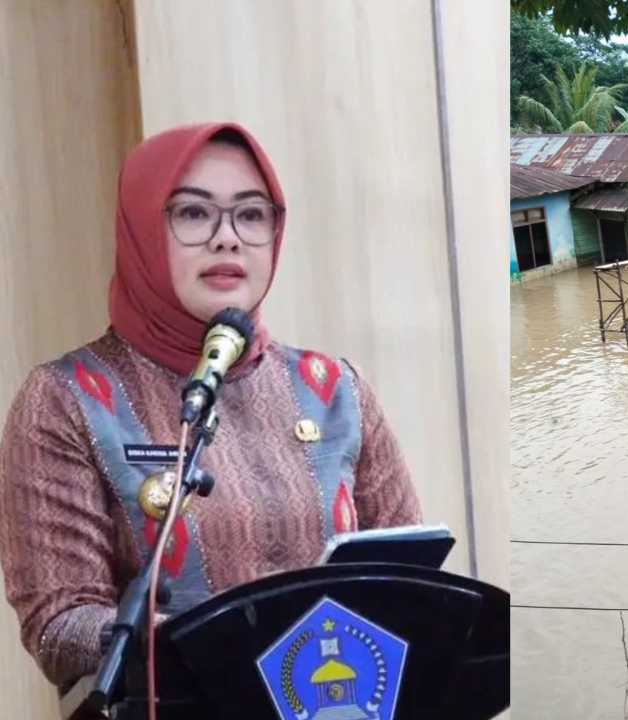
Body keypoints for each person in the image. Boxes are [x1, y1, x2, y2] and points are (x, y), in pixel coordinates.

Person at [0, 123, 422, 691]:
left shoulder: (332, 389)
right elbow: (59, 625)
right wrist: (215, 644)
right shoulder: (66, 399)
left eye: (251, 214)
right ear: (144, 228)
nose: (228, 238)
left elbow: (409, 574)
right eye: (193, 214)